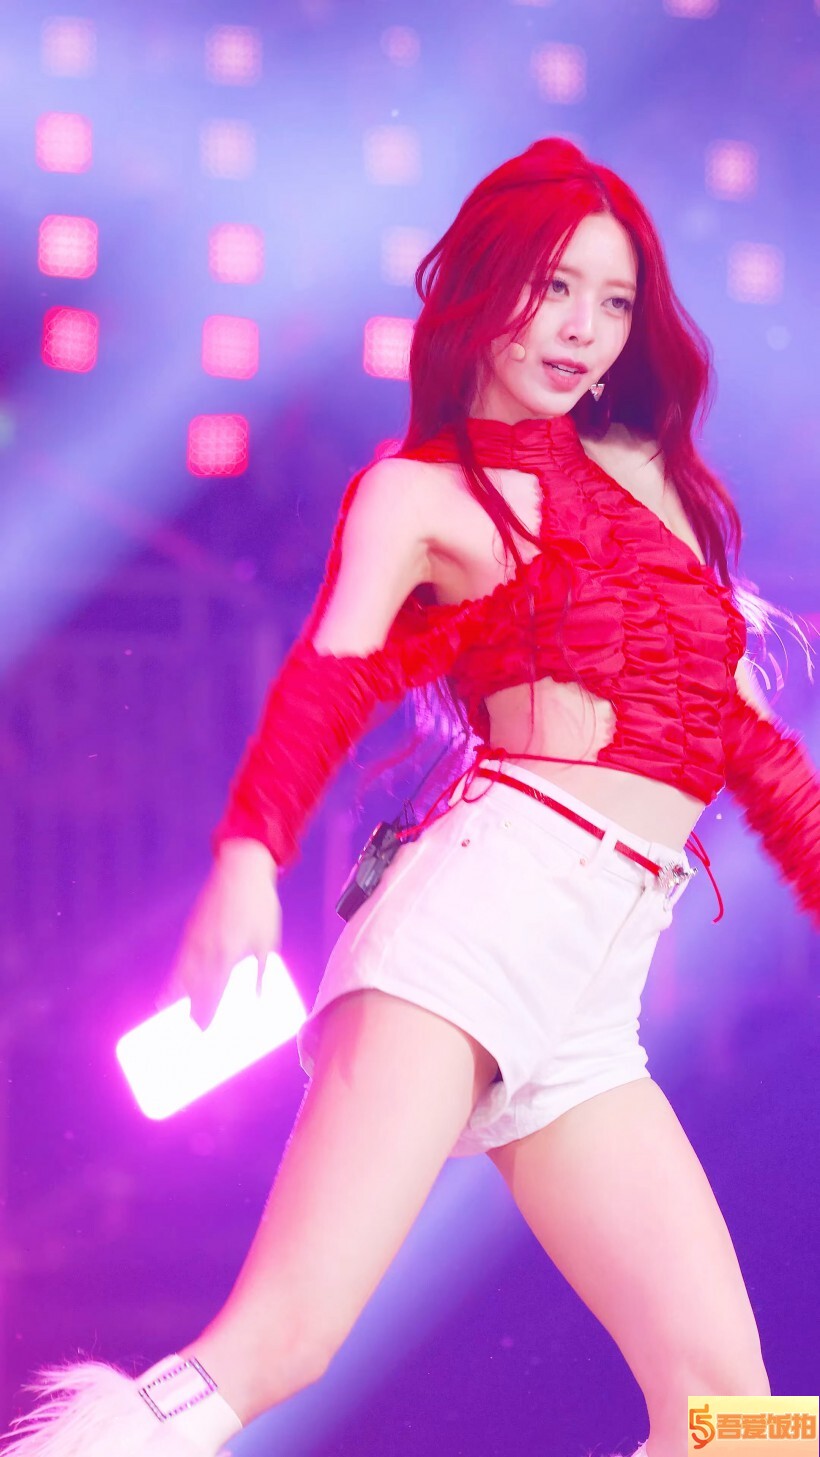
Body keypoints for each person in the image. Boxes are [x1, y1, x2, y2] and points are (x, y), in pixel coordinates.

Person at [4, 138, 818, 1457]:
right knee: (280, 1342)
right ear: (483, 288)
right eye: (553, 287)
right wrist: (248, 861)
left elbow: (762, 756)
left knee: (739, 1410)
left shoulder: (648, 483)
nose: (583, 330)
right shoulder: (422, 493)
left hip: (594, 993)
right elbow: (328, 684)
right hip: (475, 929)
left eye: (613, 302)